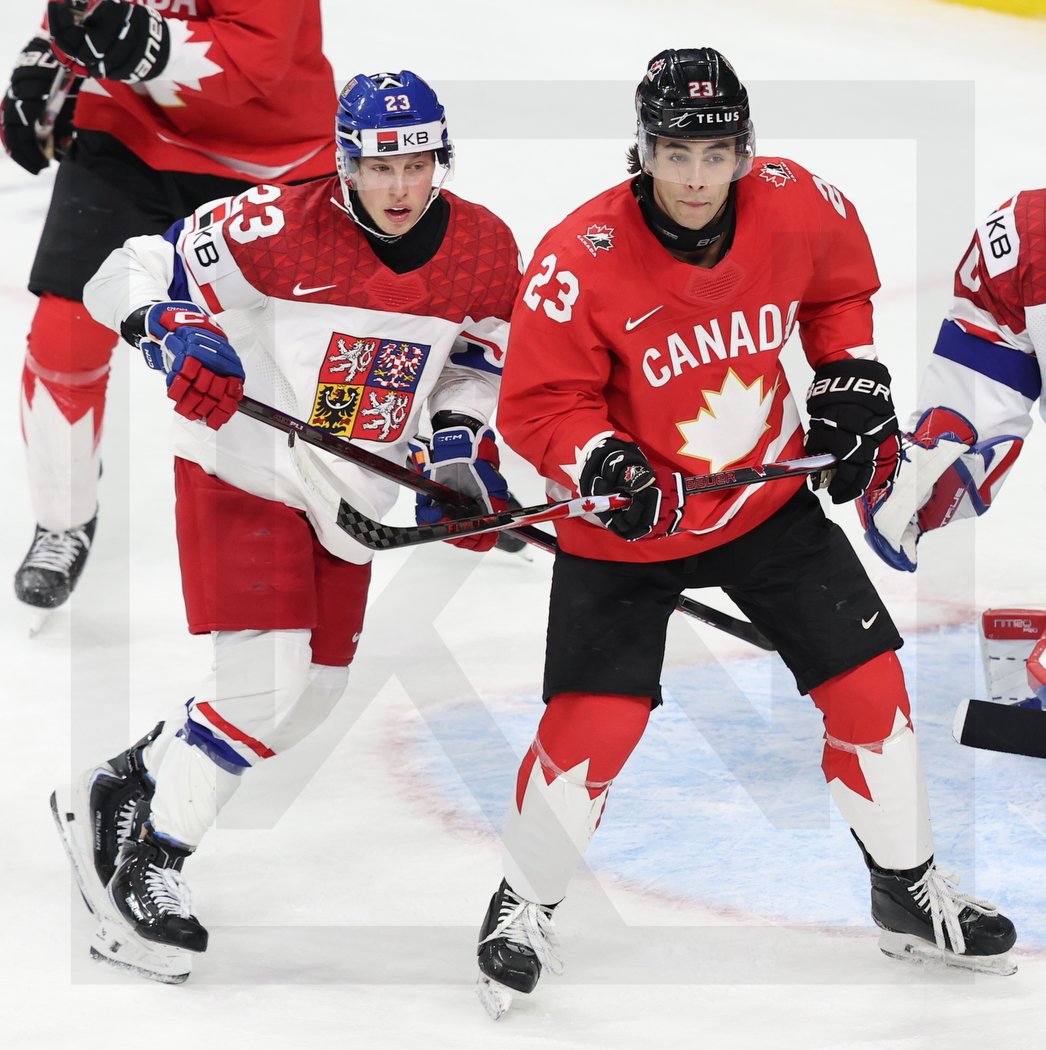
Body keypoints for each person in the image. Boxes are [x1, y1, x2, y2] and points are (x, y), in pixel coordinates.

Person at [472, 47, 1016, 1019]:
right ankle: (522, 904)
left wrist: (848, 377)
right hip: (631, 524)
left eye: (716, 154)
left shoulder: (794, 201)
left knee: (870, 689)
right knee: (594, 726)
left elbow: (837, 290)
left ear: (744, 150)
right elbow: (538, 402)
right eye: (675, 153)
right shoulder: (576, 257)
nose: (695, 177)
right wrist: (600, 461)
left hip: (765, 502)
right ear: (642, 150)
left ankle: (905, 893)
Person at [51, 69, 521, 983]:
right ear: (344, 163)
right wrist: (172, 326)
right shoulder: (272, 224)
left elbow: (473, 360)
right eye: (378, 166)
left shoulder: (485, 246)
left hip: (350, 493)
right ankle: (150, 863)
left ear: (441, 159)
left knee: (309, 698)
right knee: (265, 682)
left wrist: (457, 447)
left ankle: (127, 779)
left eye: (416, 164)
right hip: (246, 464)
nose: (399, 187)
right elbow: (124, 269)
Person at [2, 0, 338, 613]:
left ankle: (448, 463)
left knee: (334, 344)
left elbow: (257, 57)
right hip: (127, 134)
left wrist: (141, 38)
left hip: (271, 154)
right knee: (64, 334)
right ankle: (61, 518)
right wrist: (50, 53)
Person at [858, 190, 1040, 573]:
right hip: (1028, 252)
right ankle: (903, 479)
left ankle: (901, 478)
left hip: (1018, 236)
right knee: (961, 447)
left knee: (962, 438)